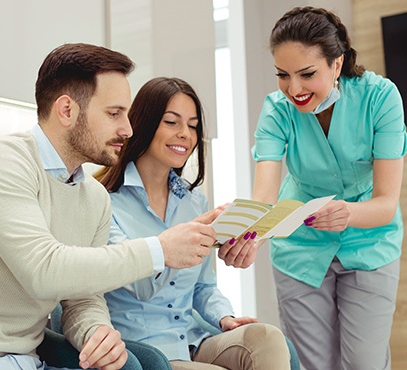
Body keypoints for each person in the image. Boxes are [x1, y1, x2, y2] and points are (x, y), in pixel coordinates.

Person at [0, 43, 222, 370]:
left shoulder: (93, 197)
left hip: (24, 360)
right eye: (114, 113)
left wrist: (96, 331)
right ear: (66, 110)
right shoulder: (0, 163)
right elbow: (44, 271)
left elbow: (81, 297)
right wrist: (160, 250)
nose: (128, 129)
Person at [248, 7, 407, 370]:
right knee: (312, 365)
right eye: (283, 75)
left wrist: (348, 213)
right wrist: (248, 235)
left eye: (307, 74)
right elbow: (264, 195)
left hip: (370, 241)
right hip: (300, 247)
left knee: (365, 363)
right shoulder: (277, 110)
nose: (294, 89)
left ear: (336, 64)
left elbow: (386, 203)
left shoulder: (380, 97)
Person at [96, 77, 291, 370]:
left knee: (266, 337)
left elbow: (203, 286)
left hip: (192, 340)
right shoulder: (104, 203)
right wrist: (176, 244)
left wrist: (225, 317)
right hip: (143, 349)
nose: (185, 134)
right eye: (171, 122)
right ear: (144, 123)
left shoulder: (194, 200)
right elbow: (139, 285)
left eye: (193, 124)